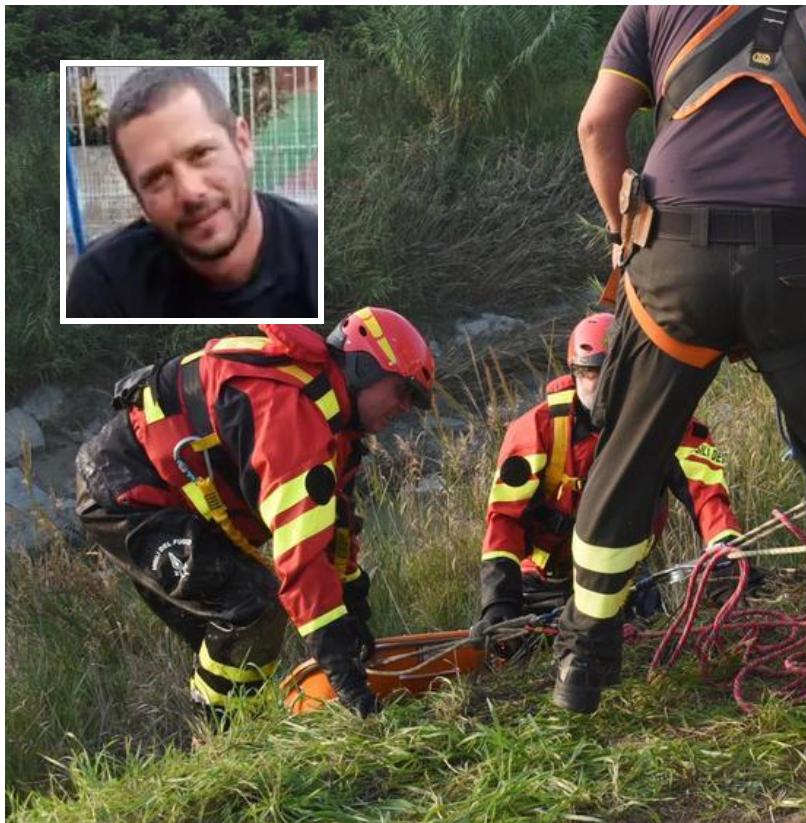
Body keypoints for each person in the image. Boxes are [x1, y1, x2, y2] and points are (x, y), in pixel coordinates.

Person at [562, 5, 806, 738]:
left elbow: (597, 127)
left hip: (673, 265)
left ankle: (582, 664)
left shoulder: (660, 6)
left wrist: (630, 240)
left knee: (628, 453)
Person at [75, 307, 435, 719]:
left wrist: (353, 605)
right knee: (252, 605)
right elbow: (299, 560)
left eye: (415, 400)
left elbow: (332, 528)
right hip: (126, 491)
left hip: (175, 499)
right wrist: (345, 674)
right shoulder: (292, 415)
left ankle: (240, 728)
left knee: (242, 628)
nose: (406, 407)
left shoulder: (337, 428)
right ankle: (220, 734)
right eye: (403, 391)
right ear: (362, 367)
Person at [471, 311, 741, 660]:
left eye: (612, 374)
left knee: (647, 661)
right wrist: (500, 602)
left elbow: (708, 497)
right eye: (589, 373)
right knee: (522, 665)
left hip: (623, 582)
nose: (601, 388)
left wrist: (727, 556)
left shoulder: (670, 424)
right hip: (544, 585)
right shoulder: (535, 430)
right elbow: (504, 519)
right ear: (574, 372)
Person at [66, 66, 318, 319]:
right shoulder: (106, 285)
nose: (189, 192)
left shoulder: (320, 253)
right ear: (140, 201)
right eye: (157, 178)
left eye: (201, 154)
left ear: (242, 143)